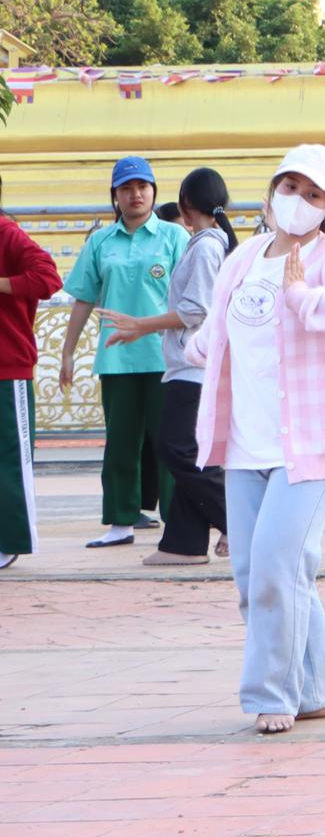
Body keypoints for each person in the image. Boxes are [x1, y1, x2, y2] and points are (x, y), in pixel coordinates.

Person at [187, 144, 325, 735]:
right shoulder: (244, 257)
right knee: (259, 572)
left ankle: (272, 694)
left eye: (314, 194)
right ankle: (321, 688)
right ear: (271, 192)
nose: (299, 202)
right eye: (291, 187)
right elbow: (221, 333)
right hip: (245, 443)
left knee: (277, 566)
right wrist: (192, 349)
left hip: (312, 444)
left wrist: (305, 298)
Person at [93, 170, 237, 566]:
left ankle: (240, 521)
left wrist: (142, 325)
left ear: (187, 203)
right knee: (180, 451)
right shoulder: (204, 243)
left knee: (177, 450)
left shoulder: (207, 246)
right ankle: (184, 541)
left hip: (194, 366)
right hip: (185, 364)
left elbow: (196, 310)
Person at [59, 156, 189, 548]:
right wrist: (67, 351)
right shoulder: (101, 242)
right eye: (127, 189)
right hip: (116, 359)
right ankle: (120, 521)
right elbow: (83, 298)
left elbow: (192, 298)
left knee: (171, 444)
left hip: (166, 358)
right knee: (120, 443)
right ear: (115, 195)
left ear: (154, 191)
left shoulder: (173, 237)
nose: (136, 195)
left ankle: (180, 521)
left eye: (143, 187)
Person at [0, 181, 64, 571]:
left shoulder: (7, 234)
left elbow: (48, 278)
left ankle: (11, 541)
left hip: (7, 371)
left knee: (9, 458)